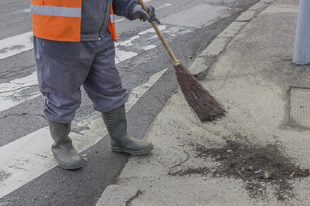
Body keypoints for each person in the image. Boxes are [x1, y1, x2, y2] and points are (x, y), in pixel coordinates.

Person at [30, 0, 160, 170]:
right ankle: (61, 145)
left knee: (111, 89)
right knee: (61, 95)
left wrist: (132, 7)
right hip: (60, 38)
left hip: (100, 37)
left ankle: (120, 138)